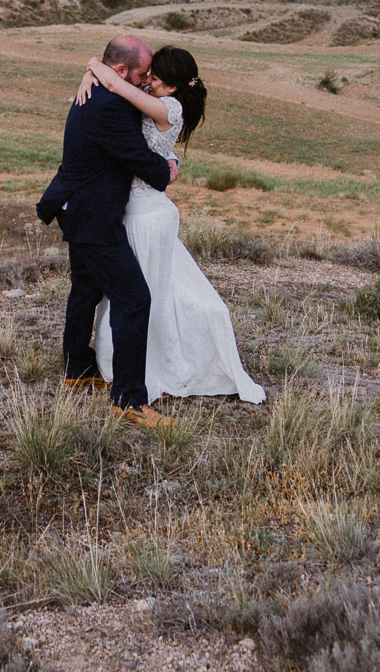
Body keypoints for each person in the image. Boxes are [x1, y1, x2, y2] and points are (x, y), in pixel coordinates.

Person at [75, 46, 265, 405]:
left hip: (147, 216)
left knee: (142, 292)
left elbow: (118, 87)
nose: (147, 81)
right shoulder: (157, 97)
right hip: (137, 209)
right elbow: (120, 89)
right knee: (145, 289)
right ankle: (126, 359)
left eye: (155, 78)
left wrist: (93, 66)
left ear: (173, 87)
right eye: (147, 77)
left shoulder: (169, 107)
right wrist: (91, 76)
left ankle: (151, 363)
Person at [37, 34, 180, 430]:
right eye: (140, 75)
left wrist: (91, 69)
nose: (145, 81)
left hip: (76, 205)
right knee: (134, 299)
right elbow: (140, 161)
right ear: (121, 71)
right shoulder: (112, 108)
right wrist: (167, 167)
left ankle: (77, 369)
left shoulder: (97, 91)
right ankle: (129, 400)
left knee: (86, 289)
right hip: (93, 215)